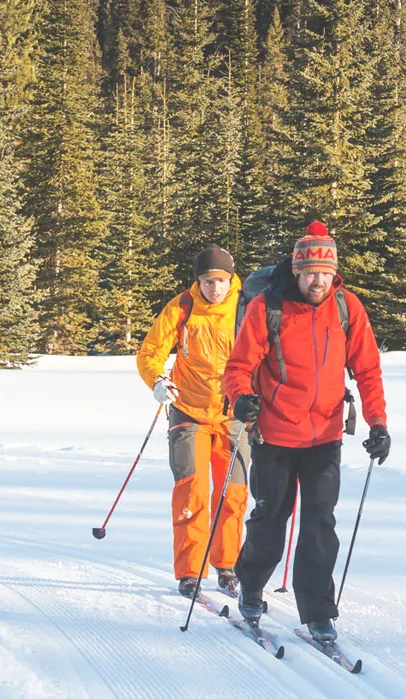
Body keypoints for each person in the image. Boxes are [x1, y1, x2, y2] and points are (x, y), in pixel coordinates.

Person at [224, 221, 390, 646]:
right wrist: (241, 398)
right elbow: (239, 366)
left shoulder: (346, 307)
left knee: (319, 525)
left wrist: (378, 423)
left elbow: (367, 370)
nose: (317, 281)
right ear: (296, 272)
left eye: (325, 273)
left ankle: (318, 612)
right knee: (269, 520)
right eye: (310, 272)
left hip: (325, 437)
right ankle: (252, 587)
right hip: (275, 434)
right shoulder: (267, 308)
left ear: (335, 274)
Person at [135, 245, 250, 597]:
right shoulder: (182, 307)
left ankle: (226, 564)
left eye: (220, 281)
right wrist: (157, 380)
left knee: (233, 494)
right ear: (197, 281)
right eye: (207, 281)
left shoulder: (247, 308)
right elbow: (151, 351)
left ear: (231, 279)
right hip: (189, 412)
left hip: (235, 414)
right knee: (193, 491)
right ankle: (189, 570)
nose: (214, 288)